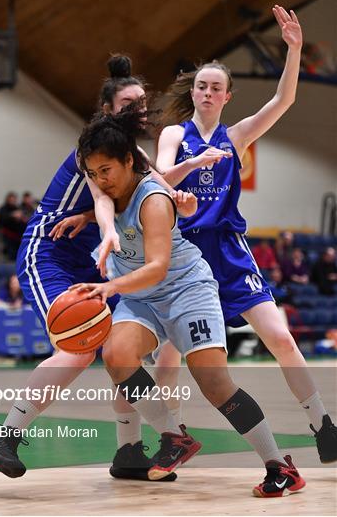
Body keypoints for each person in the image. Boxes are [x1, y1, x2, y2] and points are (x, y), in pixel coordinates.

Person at [0, 55, 193, 483]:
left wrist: (185, 196)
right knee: (77, 348)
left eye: (143, 102)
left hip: (93, 260)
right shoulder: (91, 150)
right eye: (130, 103)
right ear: (108, 111)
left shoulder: (133, 155)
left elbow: (159, 185)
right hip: (51, 252)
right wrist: (109, 231)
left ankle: (129, 450)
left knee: (124, 352)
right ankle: (5, 435)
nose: (141, 109)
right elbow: (103, 201)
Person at [72, 104, 305, 497]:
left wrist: (110, 288)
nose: (100, 181)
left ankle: (279, 465)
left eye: (106, 172)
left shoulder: (154, 199)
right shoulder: (109, 191)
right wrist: (86, 219)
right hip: (141, 297)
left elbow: (158, 267)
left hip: (185, 289)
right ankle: (172, 435)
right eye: (92, 174)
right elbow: (106, 212)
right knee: (117, 355)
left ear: (129, 161)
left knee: (214, 383)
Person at [155, 5, 337, 464]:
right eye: (202, 86)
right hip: (184, 256)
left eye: (217, 87)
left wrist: (293, 50)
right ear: (193, 92)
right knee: (169, 356)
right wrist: (194, 165)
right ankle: (173, 434)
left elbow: (283, 101)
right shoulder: (176, 135)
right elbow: (158, 179)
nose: (208, 92)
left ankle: (323, 424)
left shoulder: (235, 137)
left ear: (227, 96)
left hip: (229, 253)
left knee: (282, 338)